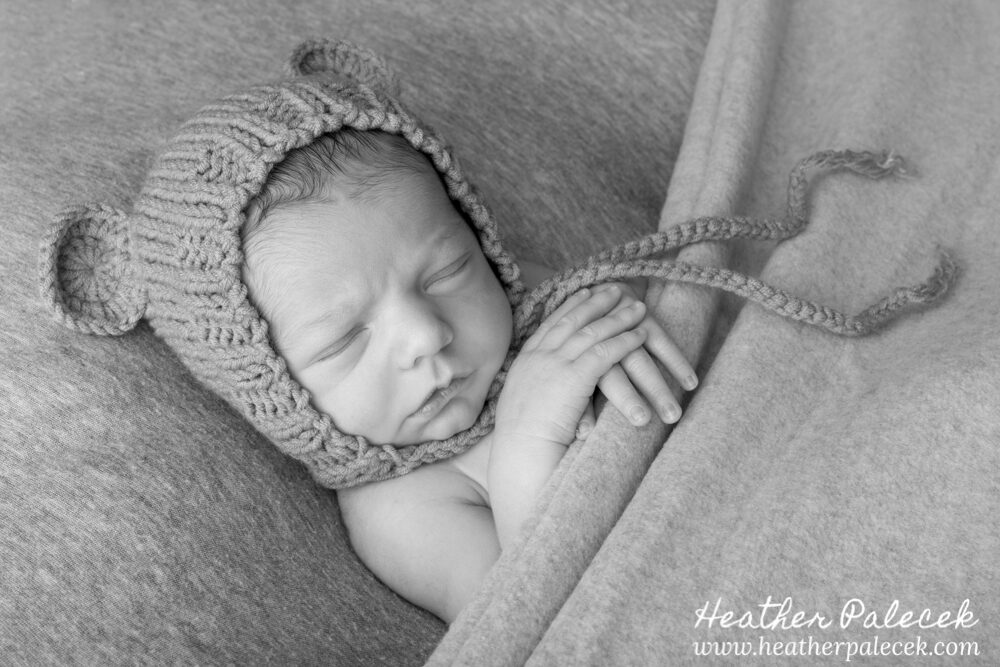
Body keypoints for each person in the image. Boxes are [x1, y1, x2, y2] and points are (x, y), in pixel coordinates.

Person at [240, 128, 698, 622]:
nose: (426, 336)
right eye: (344, 340)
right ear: (274, 391)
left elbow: (612, 303)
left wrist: (618, 312)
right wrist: (527, 438)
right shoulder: (402, 510)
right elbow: (526, 620)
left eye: (446, 272)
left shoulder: (519, 300)